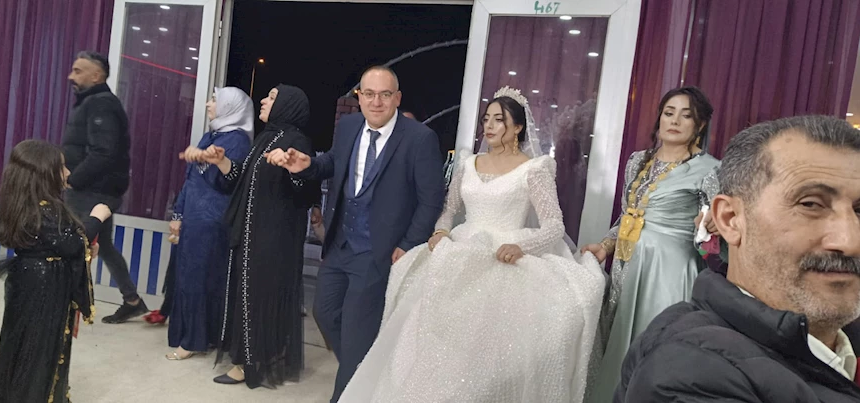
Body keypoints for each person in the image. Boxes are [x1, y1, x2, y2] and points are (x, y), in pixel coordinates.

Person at [337, 87, 606, 402]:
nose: (489, 126)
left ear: (518, 127)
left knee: (491, 344)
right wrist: (441, 232)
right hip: (464, 245)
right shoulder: (469, 163)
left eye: (498, 120)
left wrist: (522, 247)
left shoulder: (534, 169)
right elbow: (448, 210)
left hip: (507, 252)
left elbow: (554, 225)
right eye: (486, 119)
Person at [615, 115, 860, 401]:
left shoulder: (841, 339)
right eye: (810, 204)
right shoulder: (690, 374)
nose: (851, 241)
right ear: (730, 219)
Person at [266, 65, 446, 402]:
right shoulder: (348, 126)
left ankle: (346, 394)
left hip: (379, 251)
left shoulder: (419, 138)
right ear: (359, 97)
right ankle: (370, 372)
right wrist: (307, 165)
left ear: (397, 98)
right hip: (340, 244)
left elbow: (431, 200)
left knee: (355, 332)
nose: (376, 102)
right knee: (325, 313)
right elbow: (334, 163)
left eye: (385, 94)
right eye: (369, 94)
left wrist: (408, 244)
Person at [583, 86, 721, 401]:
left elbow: (711, 238)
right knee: (618, 350)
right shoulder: (637, 161)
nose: (675, 121)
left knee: (655, 352)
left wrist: (710, 227)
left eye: (686, 116)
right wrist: (606, 246)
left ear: (700, 125)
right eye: (669, 113)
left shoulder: (710, 169)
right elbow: (627, 215)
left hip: (669, 271)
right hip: (626, 267)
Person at [183, 84, 321, 388]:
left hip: (274, 236)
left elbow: (306, 190)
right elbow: (237, 179)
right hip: (251, 231)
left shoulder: (297, 142)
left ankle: (250, 363)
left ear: (287, 105)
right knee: (249, 293)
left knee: (260, 295)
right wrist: (221, 161)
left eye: (271, 97)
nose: (263, 101)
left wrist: (294, 168)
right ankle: (257, 356)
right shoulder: (264, 138)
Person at [0, 140, 111, 402]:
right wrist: (97, 218)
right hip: (45, 287)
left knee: (21, 345)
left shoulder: (21, 203)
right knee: (41, 349)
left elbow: (60, 244)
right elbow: (72, 242)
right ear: (44, 173)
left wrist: (83, 249)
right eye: (62, 167)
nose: (68, 173)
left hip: (27, 280)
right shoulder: (47, 210)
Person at [165, 87, 253, 360]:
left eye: (214, 100)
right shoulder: (212, 135)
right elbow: (191, 179)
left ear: (230, 106)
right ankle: (195, 335)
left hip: (212, 221)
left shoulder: (238, 141)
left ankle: (194, 340)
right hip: (194, 217)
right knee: (188, 277)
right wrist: (178, 215)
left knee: (200, 280)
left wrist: (206, 159)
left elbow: (229, 182)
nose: (208, 104)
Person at [61, 50, 145, 323]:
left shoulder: (101, 104)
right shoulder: (93, 102)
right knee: (104, 246)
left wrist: (73, 179)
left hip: (91, 190)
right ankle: (132, 300)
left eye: (78, 71)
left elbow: (103, 152)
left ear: (96, 76)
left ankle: (66, 304)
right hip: (96, 188)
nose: (71, 76)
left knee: (76, 243)